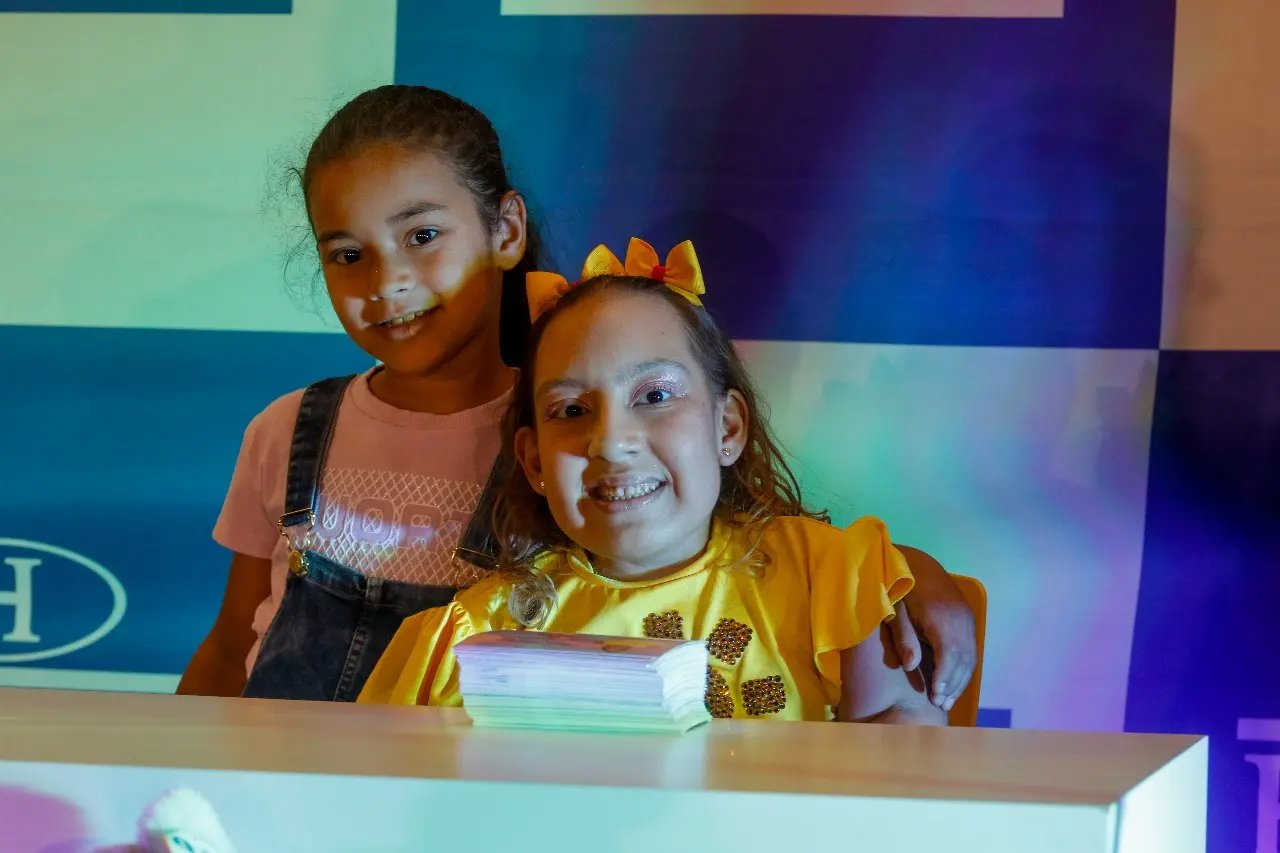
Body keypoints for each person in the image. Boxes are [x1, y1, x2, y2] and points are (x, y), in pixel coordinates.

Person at [179, 84, 972, 707]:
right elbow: (229, 645)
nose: (387, 281)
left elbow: (739, 545)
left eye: (422, 236)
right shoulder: (288, 429)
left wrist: (914, 571)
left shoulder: (572, 426)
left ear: (506, 230)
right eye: (348, 255)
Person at [358, 240, 947, 724]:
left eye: (655, 396)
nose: (611, 441)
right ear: (534, 462)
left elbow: (902, 766)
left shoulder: (828, 581)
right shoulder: (481, 639)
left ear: (727, 427)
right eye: (571, 410)